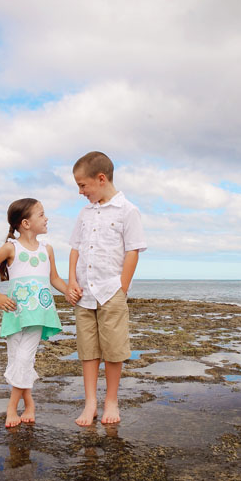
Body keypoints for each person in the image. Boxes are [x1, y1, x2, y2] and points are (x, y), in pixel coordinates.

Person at [66, 152, 146, 426]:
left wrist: (121, 289)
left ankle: (111, 400)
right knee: (88, 350)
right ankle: (90, 403)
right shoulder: (85, 213)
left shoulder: (128, 210)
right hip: (84, 294)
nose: (80, 192)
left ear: (101, 179)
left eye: (82, 185)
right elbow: (75, 249)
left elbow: (132, 252)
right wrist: (71, 282)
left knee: (113, 349)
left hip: (111, 291)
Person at [0, 198, 69, 427]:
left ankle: (12, 408)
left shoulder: (47, 249)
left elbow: (55, 279)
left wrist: (70, 292)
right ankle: (29, 403)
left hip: (39, 314)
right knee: (17, 361)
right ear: (26, 223)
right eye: (41, 214)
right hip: (15, 313)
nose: (46, 218)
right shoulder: (12, 247)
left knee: (23, 358)